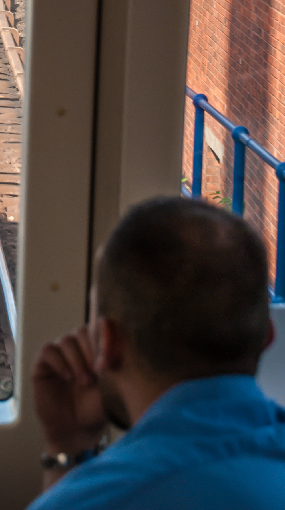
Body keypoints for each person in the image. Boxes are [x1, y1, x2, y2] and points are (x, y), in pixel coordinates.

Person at [27, 196, 285, 509]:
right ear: (267, 337)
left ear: (108, 342)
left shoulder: (96, 500)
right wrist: (69, 445)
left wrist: (65, 447)